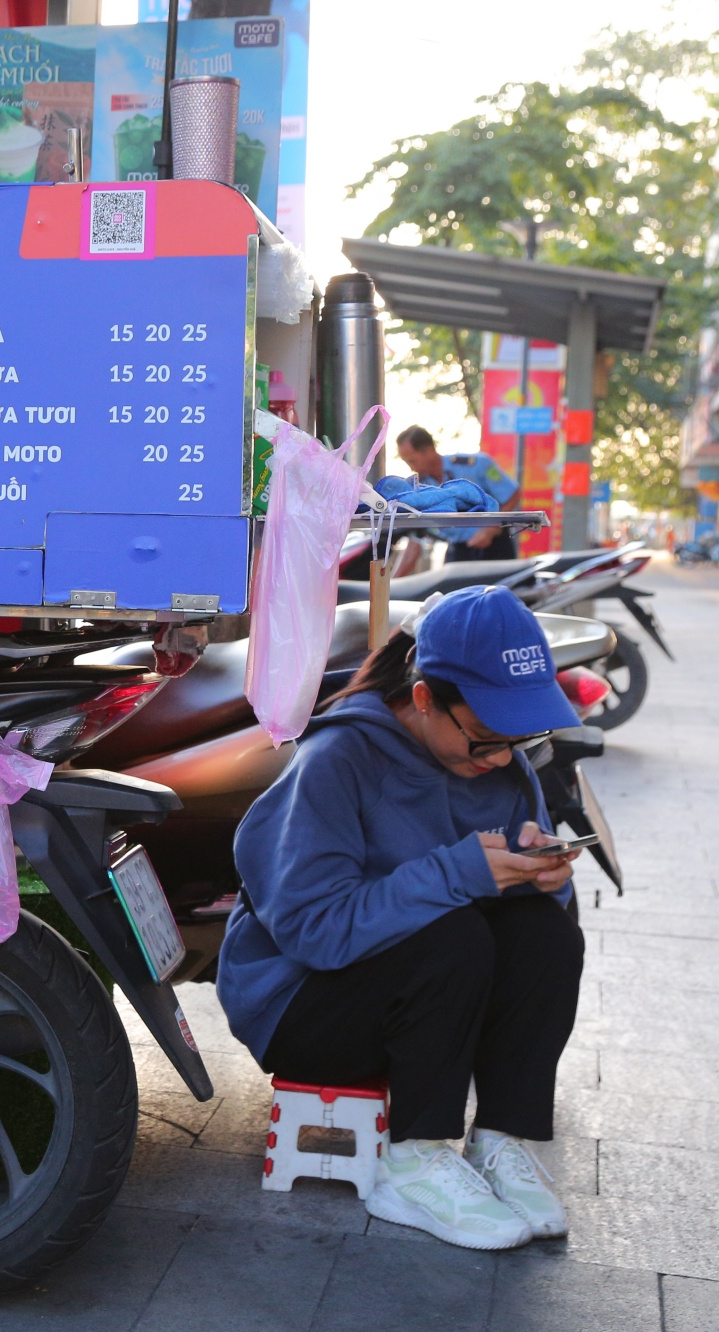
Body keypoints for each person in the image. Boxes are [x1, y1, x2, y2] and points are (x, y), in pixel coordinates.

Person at [218, 586, 585, 1251]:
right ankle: (413, 1161)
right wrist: (462, 872)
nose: (501, 757)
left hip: (427, 995)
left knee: (548, 933)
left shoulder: (505, 767)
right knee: (452, 935)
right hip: (301, 1003)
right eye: (485, 737)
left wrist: (542, 879)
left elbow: (520, 930)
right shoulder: (338, 760)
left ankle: (502, 1138)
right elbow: (315, 931)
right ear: (423, 698)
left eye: (519, 737)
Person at [395, 426, 521, 561]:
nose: (411, 467)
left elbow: (513, 494)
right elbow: (416, 537)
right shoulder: (420, 487)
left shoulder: (476, 465)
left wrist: (491, 528)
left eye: (412, 461)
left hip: (494, 546)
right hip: (458, 549)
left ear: (429, 451)